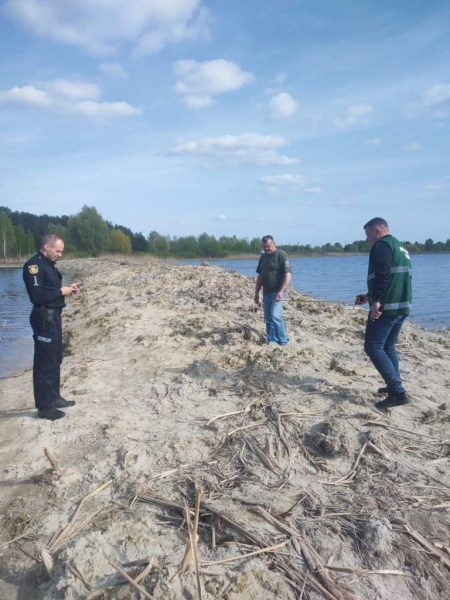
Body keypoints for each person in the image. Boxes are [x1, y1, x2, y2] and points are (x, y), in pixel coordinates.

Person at [23, 234, 82, 420]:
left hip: (55, 316)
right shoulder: (34, 266)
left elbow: (51, 290)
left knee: (55, 359)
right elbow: (38, 296)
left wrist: (67, 289)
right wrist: (60, 291)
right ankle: (44, 408)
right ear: (46, 247)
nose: (60, 255)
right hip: (43, 318)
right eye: (58, 251)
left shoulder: (50, 265)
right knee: (44, 364)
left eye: (61, 252)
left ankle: (54, 398)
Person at [355, 218, 412, 410]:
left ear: (377, 231)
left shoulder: (381, 245)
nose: (367, 239)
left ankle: (397, 391)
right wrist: (369, 296)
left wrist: (377, 301)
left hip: (388, 307)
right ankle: (393, 384)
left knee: (372, 346)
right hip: (402, 305)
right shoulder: (399, 247)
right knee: (388, 346)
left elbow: (383, 274)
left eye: (368, 235)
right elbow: (393, 277)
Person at [254, 235, 292, 345]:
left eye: (268, 246)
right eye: (264, 246)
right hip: (266, 293)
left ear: (274, 244)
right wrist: (256, 293)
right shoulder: (263, 257)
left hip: (277, 292)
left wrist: (281, 292)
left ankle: (283, 341)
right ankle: (271, 340)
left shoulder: (281, 255)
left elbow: (288, 276)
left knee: (275, 316)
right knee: (268, 319)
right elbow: (260, 276)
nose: (266, 248)